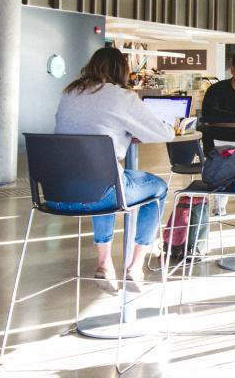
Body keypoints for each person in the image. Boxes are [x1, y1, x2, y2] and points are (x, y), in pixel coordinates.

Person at [53, 47, 172, 294]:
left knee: (101, 179)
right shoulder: (122, 97)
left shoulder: (70, 92)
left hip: (59, 194)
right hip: (102, 193)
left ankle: (105, 262)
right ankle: (136, 266)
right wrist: (130, 132)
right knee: (157, 188)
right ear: (122, 71)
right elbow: (164, 133)